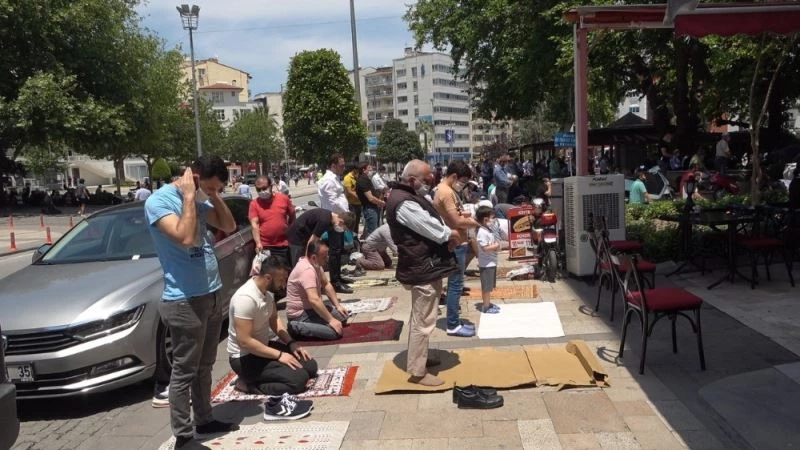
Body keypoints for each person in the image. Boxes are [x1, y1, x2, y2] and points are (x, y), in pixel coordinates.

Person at [144, 156, 238, 449]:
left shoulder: (201, 196)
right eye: (208, 188)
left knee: (205, 365)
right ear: (194, 178)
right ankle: (183, 436)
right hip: (184, 299)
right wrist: (188, 197)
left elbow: (229, 225)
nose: (210, 194)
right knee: (184, 370)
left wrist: (212, 195)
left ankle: (205, 418)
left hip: (211, 293)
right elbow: (185, 237)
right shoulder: (159, 202)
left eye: (215, 190)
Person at [387, 159, 460, 386]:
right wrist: (451, 235)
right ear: (412, 180)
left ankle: (421, 358)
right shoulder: (403, 203)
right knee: (423, 319)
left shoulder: (406, 195)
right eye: (427, 180)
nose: (431, 183)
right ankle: (418, 372)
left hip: (423, 264)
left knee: (423, 316)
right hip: (421, 267)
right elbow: (431, 228)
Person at [227, 254, 316, 420]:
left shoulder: (267, 293)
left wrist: (291, 344)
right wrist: (280, 355)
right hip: (244, 357)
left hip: (262, 347)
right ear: (268, 277)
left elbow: (275, 320)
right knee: (298, 380)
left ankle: (267, 372)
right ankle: (248, 384)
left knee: (310, 366)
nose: (284, 285)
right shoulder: (245, 299)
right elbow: (244, 341)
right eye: (282, 280)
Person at [433, 161, 480, 337]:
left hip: (457, 241)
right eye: (463, 180)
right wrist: (478, 221)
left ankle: (455, 321)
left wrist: (464, 215)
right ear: (453, 177)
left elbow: (455, 216)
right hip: (456, 243)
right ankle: (452, 324)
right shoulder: (446, 193)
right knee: (455, 285)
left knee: (455, 284)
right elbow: (456, 222)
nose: (463, 184)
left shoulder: (446, 190)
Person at [285, 240, 350, 340]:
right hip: (301, 314)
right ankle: (295, 327)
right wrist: (331, 320)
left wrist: (337, 306)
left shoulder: (315, 265)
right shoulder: (307, 270)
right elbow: (314, 299)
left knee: (343, 317)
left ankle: (320, 321)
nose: (327, 259)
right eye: (324, 257)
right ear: (314, 257)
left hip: (311, 309)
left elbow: (326, 284)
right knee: (334, 332)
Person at [285, 207, 356, 288]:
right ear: (341, 222)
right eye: (344, 229)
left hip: (304, 236)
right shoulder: (324, 221)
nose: (343, 230)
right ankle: (297, 288)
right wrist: (306, 258)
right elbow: (312, 242)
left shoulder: (330, 218)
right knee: (299, 265)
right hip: (296, 237)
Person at [317, 154, 352, 293]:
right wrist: (345, 213)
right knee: (335, 250)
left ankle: (338, 276)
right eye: (341, 165)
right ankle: (335, 281)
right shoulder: (328, 180)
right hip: (335, 218)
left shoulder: (334, 179)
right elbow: (332, 201)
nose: (343, 168)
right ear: (333, 165)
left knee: (339, 248)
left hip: (339, 217)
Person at [249, 176, 295, 265]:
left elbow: (292, 214)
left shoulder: (283, 198)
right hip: (265, 247)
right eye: (258, 190)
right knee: (268, 276)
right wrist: (258, 243)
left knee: (283, 274)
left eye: (264, 188)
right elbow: (255, 224)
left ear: (271, 186)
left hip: (283, 245)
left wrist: (291, 231)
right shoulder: (254, 204)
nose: (262, 191)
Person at [475, 206, 501, 314]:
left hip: (491, 262)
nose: (493, 220)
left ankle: (487, 303)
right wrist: (496, 246)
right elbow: (485, 248)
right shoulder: (482, 232)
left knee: (489, 286)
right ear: (485, 219)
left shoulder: (487, 230)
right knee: (486, 287)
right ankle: (486, 306)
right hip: (486, 264)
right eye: (491, 217)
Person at [356, 162, 385, 239]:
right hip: (370, 208)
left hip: (373, 207)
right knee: (373, 233)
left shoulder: (366, 179)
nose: (372, 170)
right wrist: (381, 202)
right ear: (363, 170)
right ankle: (370, 249)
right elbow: (370, 198)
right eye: (369, 168)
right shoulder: (363, 180)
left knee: (374, 231)